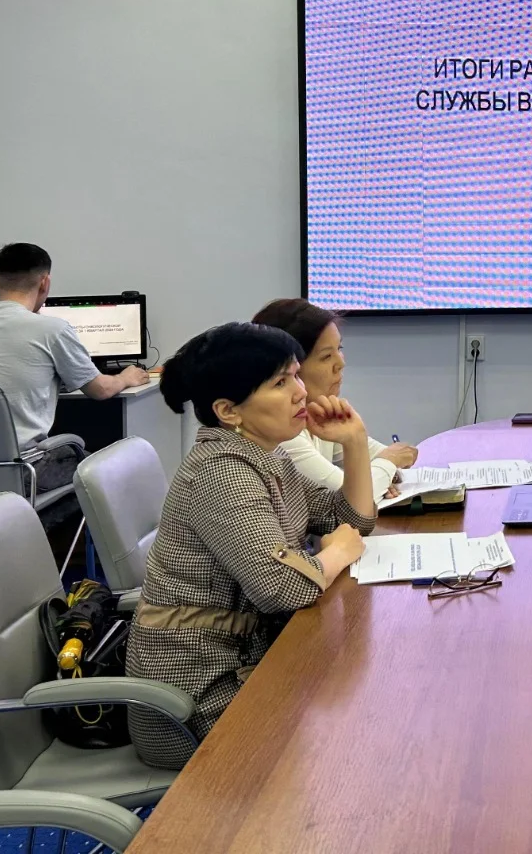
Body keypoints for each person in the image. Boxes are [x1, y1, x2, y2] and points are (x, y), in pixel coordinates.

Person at [126, 322, 376, 770]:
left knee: (358, 704)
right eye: (280, 383)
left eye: (296, 375)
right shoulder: (222, 471)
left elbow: (352, 521)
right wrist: (338, 551)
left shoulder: (266, 456)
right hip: (196, 697)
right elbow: (283, 589)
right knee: (356, 729)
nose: (301, 392)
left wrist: (354, 441)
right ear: (229, 411)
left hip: (245, 662)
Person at [0, 243, 149, 488]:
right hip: (24, 469)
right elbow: (101, 390)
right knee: (108, 472)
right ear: (45, 283)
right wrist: (125, 377)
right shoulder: (52, 329)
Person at [251, 298, 417, 500]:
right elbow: (353, 499)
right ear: (290, 368)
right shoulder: (281, 433)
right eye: (326, 357)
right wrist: (386, 465)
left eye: (339, 349)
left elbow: (393, 459)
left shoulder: (320, 411)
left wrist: (383, 469)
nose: (340, 363)